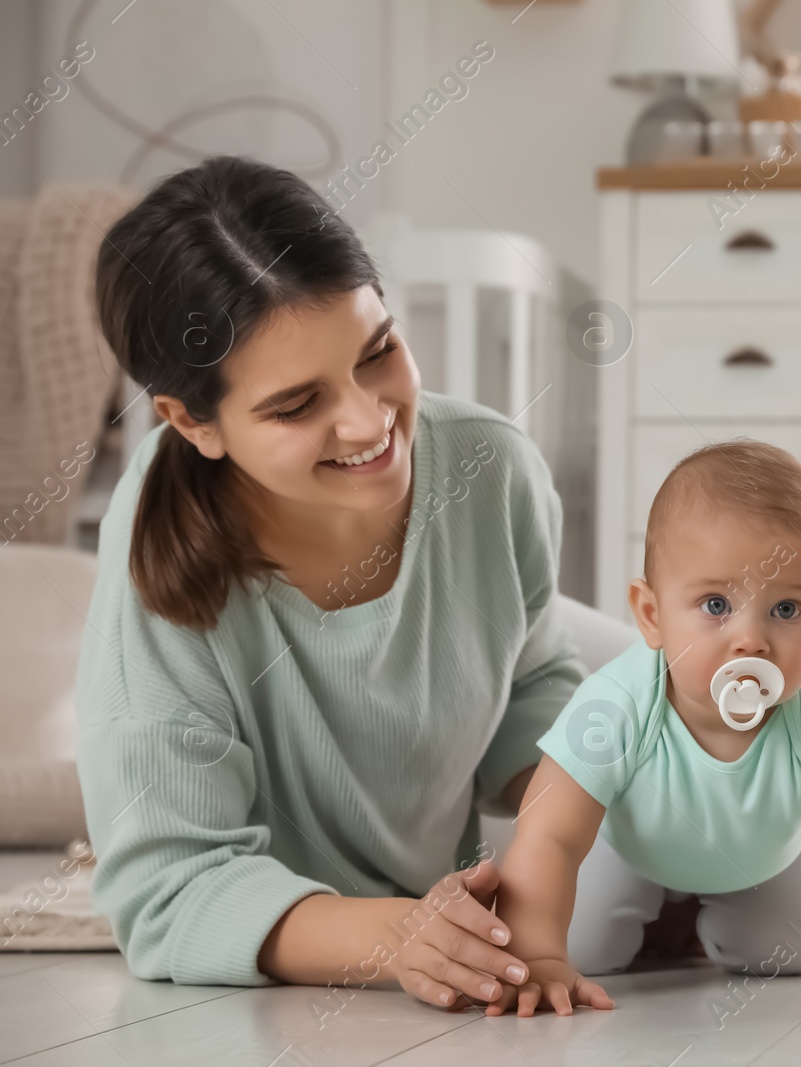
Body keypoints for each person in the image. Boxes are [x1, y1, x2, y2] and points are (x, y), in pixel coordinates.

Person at [76, 154, 581, 1012]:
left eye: (378, 351)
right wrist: (397, 935)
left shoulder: (492, 468)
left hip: (560, 637)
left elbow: (531, 689)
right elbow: (166, 888)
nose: (366, 419)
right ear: (192, 421)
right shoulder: (157, 557)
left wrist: (632, 809)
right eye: (295, 405)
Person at [484, 440, 801, 1019]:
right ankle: (654, 913)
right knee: (584, 951)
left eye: (785, 610)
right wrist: (539, 956)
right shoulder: (616, 703)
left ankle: (703, 920)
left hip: (767, 858)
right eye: (716, 604)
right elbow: (550, 833)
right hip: (627, 849)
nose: (750, 641)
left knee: (782, 957)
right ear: (652, 616)